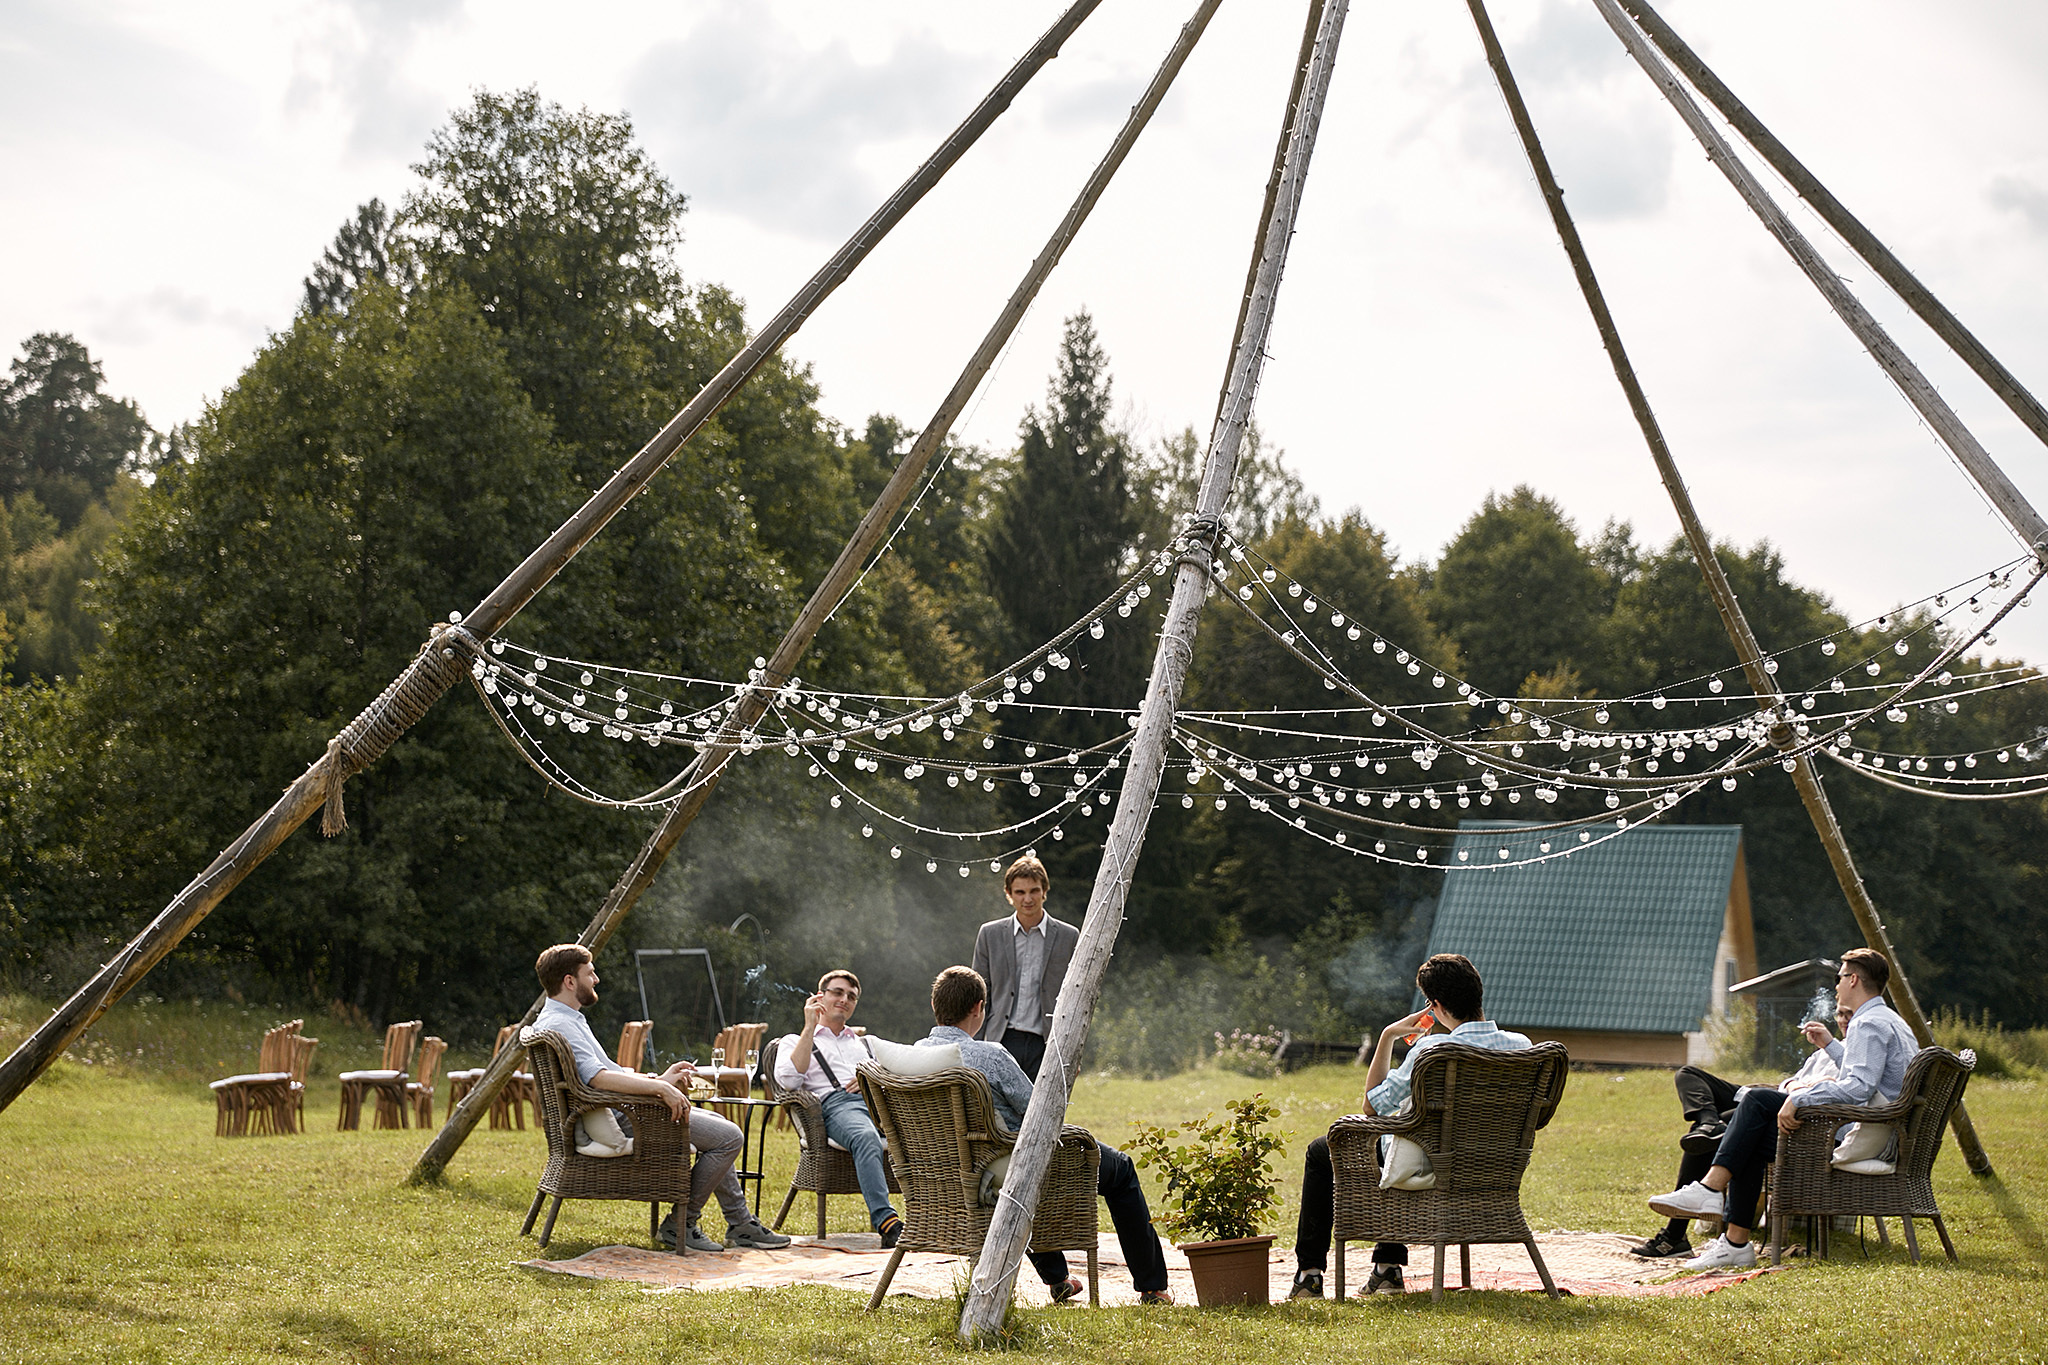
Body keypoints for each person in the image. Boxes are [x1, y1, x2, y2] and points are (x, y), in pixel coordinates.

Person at [1649, 948, 1920, 1271]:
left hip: (1849, 1134)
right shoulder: (1891, 1021)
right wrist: (1830, 1048)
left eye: (1839, 978)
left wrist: (1799, 1099)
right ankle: (1734, 1242)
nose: (1836, 987)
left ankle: (1710, 1192)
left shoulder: (1868, 1023)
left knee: (1758, 1103)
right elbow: (1865, 1073)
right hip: (1878, 1132)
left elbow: (1857, 1088)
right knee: (1750, 1129)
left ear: (1853, 979)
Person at [917, 966, 1173, 1305]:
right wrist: (1065, 1081)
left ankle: (1058, 1279)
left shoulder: (914, 1056)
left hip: (946, 1173)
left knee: (1020, 1158)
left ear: (935, 1006)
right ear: (979, 1008)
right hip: (1004, 1170)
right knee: (1120, 1169)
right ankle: (1152, 1286)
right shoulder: (990, 1055)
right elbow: (1041, 1112)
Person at [1289, 953, 1531, 1299]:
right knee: (1397, 1139)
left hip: (1430, 1165)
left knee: (1326, 1148)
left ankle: (1310, 1275)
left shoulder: (1433, 1049)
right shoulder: (1520, 1046)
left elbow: (1372, 1106)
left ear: (1435, 1005)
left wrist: (1388, 1036)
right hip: (1493, 1167)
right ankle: (1386, 1268)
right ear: (1478, 993)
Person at [531, 943, 790, 1253]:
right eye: (591, 973)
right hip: (627, 1117)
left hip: (621, 1110)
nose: (596, 979)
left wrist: (658, 1079)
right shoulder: (561, 1024)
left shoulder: (564, 1018)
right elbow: (597, 1079)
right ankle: (682, 1222)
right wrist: (659, 1090)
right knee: (729, 1137)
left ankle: (740, 1223)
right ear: (570, 981)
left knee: (720, 1125)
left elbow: (605, 1072)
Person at [1628, 1001, 1854, 1260]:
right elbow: (1791, 1080)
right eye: (1840, 1014)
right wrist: (1794, 1086)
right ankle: (1708, 1122)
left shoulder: (1852, 1052)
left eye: (1850, 1014)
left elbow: (1843, 1088)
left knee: (1722, 1129)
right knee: (1688, 1074)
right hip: (1770, 1101)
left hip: (1787, 1115)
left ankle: (1676, 1235)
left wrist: (1803, 1088)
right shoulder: (1820, 1053)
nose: (1844, 1020)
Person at [771, 968, 904, 1247]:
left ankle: (935, 1219)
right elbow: (788, 1080)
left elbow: (899, 1070)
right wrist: (809, 1026)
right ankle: (887, 1221)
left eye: (852, 996)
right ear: (820, 997)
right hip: (837, 1107)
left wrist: (870, 1077)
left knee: (931, 1132)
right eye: (838, 992)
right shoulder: (795, 1041)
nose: (845, 999)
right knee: (865, 1136)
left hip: (878, 1104)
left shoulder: (864, 1044)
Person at [971, 855, 1079, 1082]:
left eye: (1034, 891)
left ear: (1044, 891)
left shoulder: (1069, 937)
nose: (1028, 899)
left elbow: (1077, 999)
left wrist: (1074, 1052)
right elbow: (979, 995)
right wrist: (974, 1047)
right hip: (1000, 1040)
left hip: (1047, 1044)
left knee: (1043, 1113)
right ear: (1009, 895)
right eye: (1020, 892)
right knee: (998, 1114)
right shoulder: (990, 934)